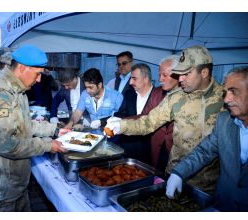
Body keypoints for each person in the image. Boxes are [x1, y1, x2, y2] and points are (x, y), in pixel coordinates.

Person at [106, 45, 224, 193]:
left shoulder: (227, 99)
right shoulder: (176, 98)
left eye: (186, 74)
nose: (180, 79)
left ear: (204, 72)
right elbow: (149, 122)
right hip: (173, 175)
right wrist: (122, 125)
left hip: (208, 185)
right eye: (179, 73)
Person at [0, 45, 66, 212]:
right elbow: (6, 145)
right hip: (1, 187)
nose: (38, 80)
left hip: (14, 183)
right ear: (22, 68)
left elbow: (24, 125)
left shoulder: (17, 91)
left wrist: (55, 131)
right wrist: (47, 145)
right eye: (37, 74)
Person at [166, 66, 248, 211]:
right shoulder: (224, 121)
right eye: (225, 91)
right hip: (223, 205)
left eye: (233, 91)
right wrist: (179, 173)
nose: (227, 99)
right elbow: (204, 152)